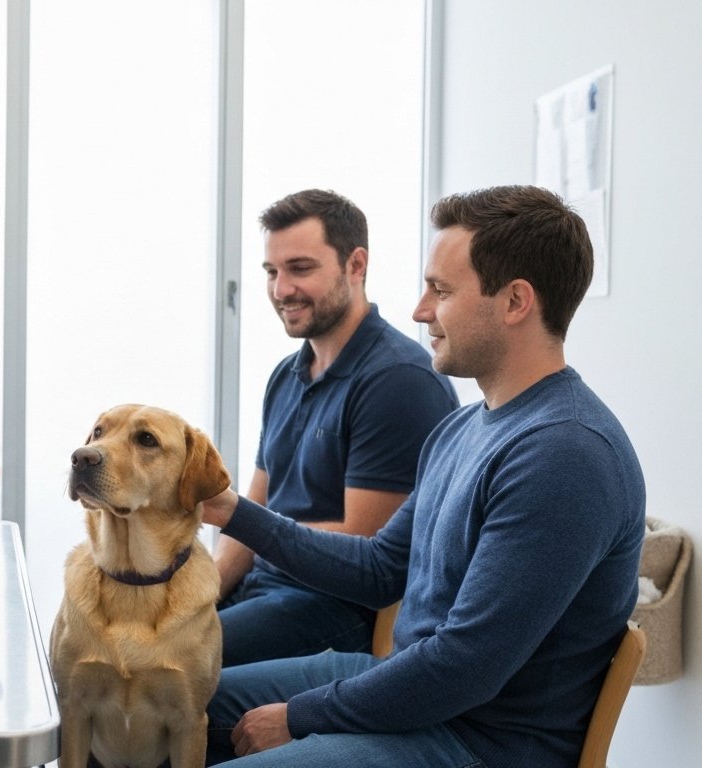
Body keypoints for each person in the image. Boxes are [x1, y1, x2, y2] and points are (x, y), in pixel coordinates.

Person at [197, 185, 645, 767]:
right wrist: (232, 511)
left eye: (442, 290)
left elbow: (465, 667)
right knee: (159, 702)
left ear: (515, 301)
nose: (420, 310)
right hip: (418, 693)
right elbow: (381, 568)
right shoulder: (463, 428)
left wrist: (301, 716)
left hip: (477, 741)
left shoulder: (565, 454)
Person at [214, 189, 457, 666]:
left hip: (332, 609)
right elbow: (251, 513)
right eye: (271, 272)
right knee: (118, 644)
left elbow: (363, 553)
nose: (281, 290)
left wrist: (247, 524)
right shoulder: (286, 376)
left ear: (355, 265)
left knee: (147, 670)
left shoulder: (399, 380)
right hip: (263, 590)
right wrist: (200, 595)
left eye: (300, 269)